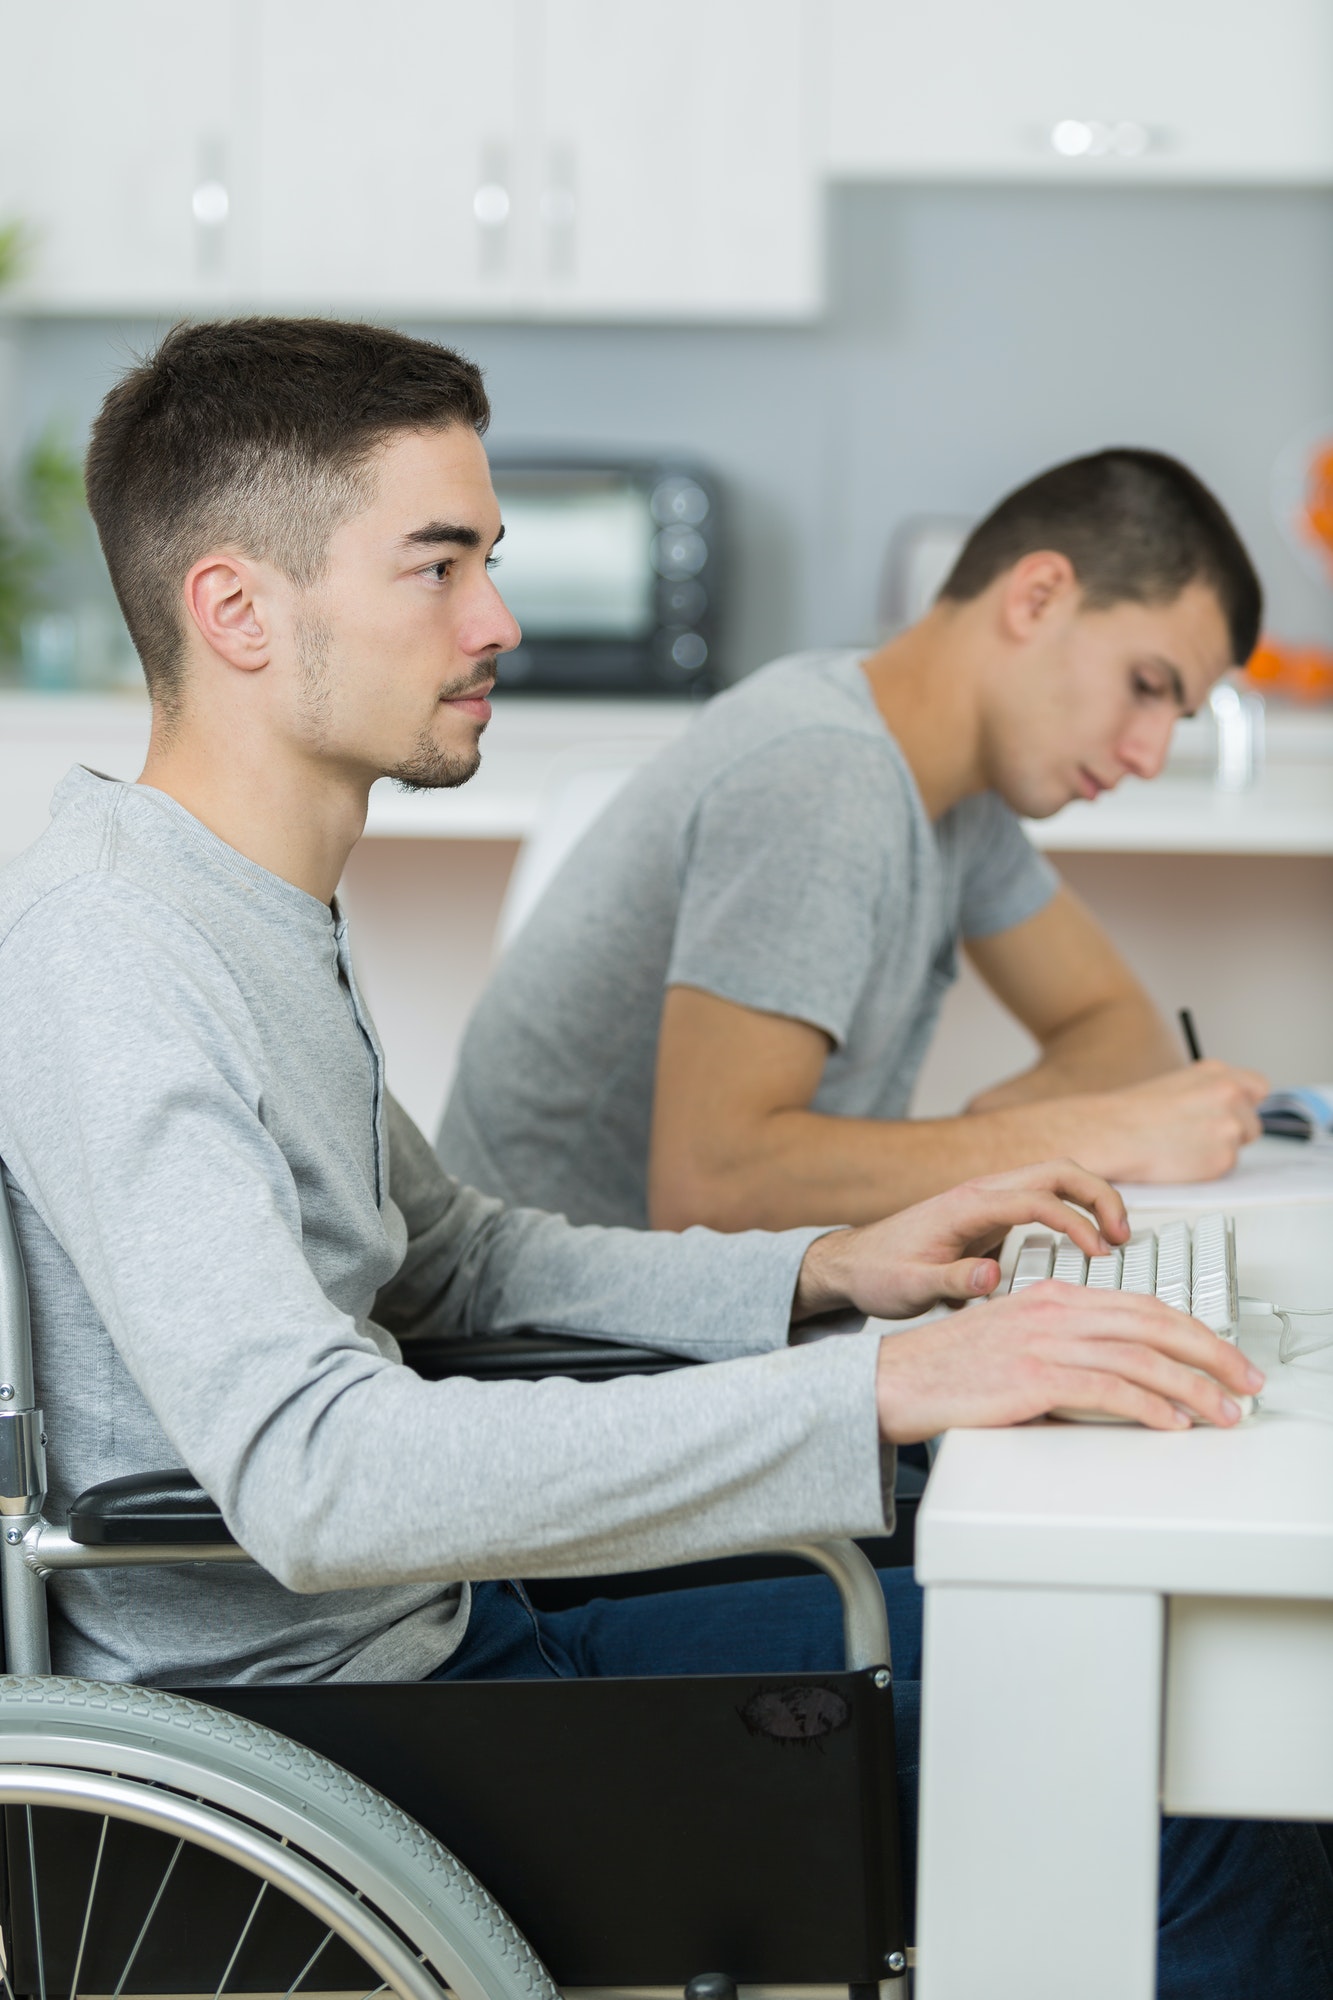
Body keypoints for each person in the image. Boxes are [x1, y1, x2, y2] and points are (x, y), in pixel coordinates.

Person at [0, 319, 1324, 1994]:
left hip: (459, 1629)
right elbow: (315, 1475)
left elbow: (452, 1258)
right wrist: (875, 1392)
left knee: (1150, 1680)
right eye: (437, 567)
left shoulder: (246, 909)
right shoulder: (110, 955)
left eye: (488, 559)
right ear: (238, 612)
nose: (499, 620)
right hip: (353, 1736)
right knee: (1169, 1769)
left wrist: (833, 1272)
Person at [437, 450, 1270, 1233]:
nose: (1150, 755)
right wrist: (1081, 1136)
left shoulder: (955, 795)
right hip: (552, 1347)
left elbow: (1119, 1026)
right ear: (1038, 597)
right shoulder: (824, 768)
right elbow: (714, 1191)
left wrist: (1015, 1134)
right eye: (1145, 687)